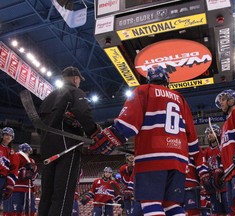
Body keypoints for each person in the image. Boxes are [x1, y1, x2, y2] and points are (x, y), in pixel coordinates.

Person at [89, 66, 206, 215]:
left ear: (149, 79)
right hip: (179, 160)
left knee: (151, 203)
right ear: (166, 79)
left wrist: (111, 136)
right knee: (173, 205)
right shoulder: (180, 98)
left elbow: (128, 124)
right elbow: (192, 137)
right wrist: (196, 158)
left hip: (153, 157)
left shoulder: (143, 90)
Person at [38, 66, 101, 216]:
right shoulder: (75, 91)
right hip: (68, 147)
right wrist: (94, 132)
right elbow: (83, 112)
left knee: (47, 193)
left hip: (47, 148)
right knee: (63, 192)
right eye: (79, 80)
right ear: (75, 78)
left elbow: (39, 123)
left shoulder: (49, 97)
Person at [3, 143, 38, 216]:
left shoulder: (31, 160)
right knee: (16, 209)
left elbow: (34, 175)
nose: (29, 152)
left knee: (27, 209)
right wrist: (24, 172)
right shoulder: (17, 157)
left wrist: (30, 172)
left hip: (27, 188)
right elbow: (12, 171)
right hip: (18, 188)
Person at [203, 124, 230, 215]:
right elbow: (204, 166)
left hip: (224, 185)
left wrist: (221, 168)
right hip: (213, 187)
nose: (209, 135)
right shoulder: (206, 151)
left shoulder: (223, 147)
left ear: (218, 133)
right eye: (208, 133)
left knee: (230, 211)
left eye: (211, 133)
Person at [0, 127, 19, 205]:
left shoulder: (12, 153)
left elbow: (14, 169)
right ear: (2, 135)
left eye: (10, 136)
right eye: (6, 134)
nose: (8, 137)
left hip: (2, 179)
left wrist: (10, 184)